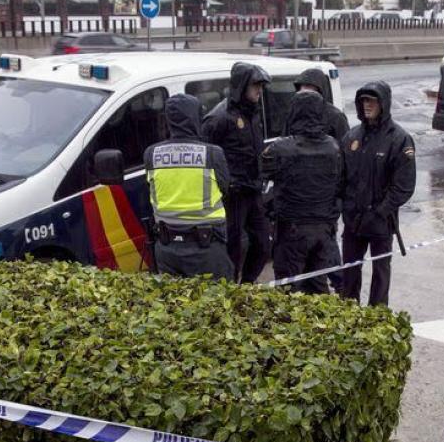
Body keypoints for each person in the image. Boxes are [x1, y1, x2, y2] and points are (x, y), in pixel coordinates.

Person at [341, 81, 416, 307]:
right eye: (364, 100)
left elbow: (403, 187)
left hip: (381, 222)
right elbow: (341, 178)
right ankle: (349, 313)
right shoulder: (352, 137)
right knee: (350, 272)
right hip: (354, 221)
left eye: (372, 100)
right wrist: (347, 209)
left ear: (383, 103)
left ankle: (377, 317)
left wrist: (379, 212)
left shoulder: (400, 139)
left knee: (381, 273)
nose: (367, 105)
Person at [261, 91, 344, 295]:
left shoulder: (280, 148)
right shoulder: (333, 147)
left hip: (292, 230)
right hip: (324, 230)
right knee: (317, 286)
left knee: (288, 291)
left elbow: (261, 174)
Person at [145, 94, 235, 280]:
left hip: (167, 248)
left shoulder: (151, 154)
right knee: (216, 303)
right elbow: (225, 189)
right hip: (206, 249)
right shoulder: (212, 153)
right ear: (196, 117)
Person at [202, 62, 271, 283]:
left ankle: (248, 283)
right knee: (233, 247)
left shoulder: (253, 113)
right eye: (255, 86)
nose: (259, 91)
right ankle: (230, 289)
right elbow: (206, 155)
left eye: (261, 86)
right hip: (232, 196)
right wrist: (224, 184)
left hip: (253, 191)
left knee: (262, 244)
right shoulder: (219, 118)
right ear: (242, 86)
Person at [291, 68, 351, 293]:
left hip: (325, 199)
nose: (305, 93)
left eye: (310, 89)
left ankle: (339, 289)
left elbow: (345, 158)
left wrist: (338, 197)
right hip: (299, 198)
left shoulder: (334, 117)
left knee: (326, 253)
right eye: (301, 89)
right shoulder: (295, 112)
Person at [291, 68, 350, 141]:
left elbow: (345, 144)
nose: (304, 91)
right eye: (302, 87)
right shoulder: (294, 112)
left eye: (309, 87)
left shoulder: (336, 116)